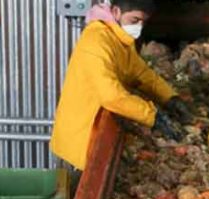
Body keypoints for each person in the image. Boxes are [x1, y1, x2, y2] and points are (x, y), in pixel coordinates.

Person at [51, 0, 190, 172]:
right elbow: (111, 96)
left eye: (143, 22)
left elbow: (140, 73)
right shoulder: (96, 41)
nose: (138, 27)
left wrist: (170, 97)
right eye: (134, 20)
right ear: (116, 12)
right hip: (81, 136)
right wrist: (153, 116)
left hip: (96, 127)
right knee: (76, 190)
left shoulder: (119, 38)